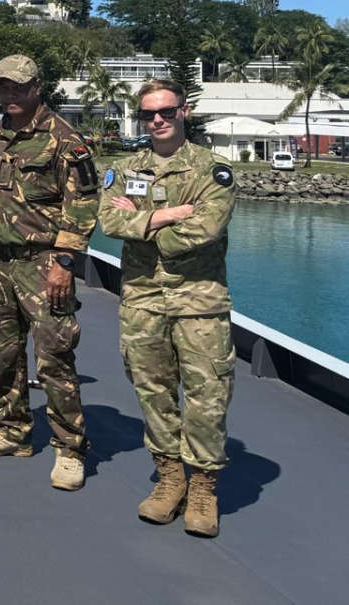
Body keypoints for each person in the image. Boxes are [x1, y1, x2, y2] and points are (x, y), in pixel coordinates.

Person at [0, 54, 99, 491]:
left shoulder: (65, 140)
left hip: (43, 264)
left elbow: (83, 205)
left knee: (54, 356)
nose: (11, 95)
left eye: (19, 87)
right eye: (3, 87)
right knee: (3, 353)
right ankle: (12, 431)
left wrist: (64, 261)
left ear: (38, 87)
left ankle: (70, 448)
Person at [103, 78, 235, 537]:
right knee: (153, 393)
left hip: (199, 300)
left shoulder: (212, 169)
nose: (156, 120)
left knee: (206, 397)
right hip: (142, 299)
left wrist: (142, 224)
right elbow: (107, 218)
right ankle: (169, 478)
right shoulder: (125, 167)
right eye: (147, 114)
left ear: (184, 113)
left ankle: (203, 486)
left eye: (165, 111)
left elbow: (205, 230)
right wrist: (169, 214)